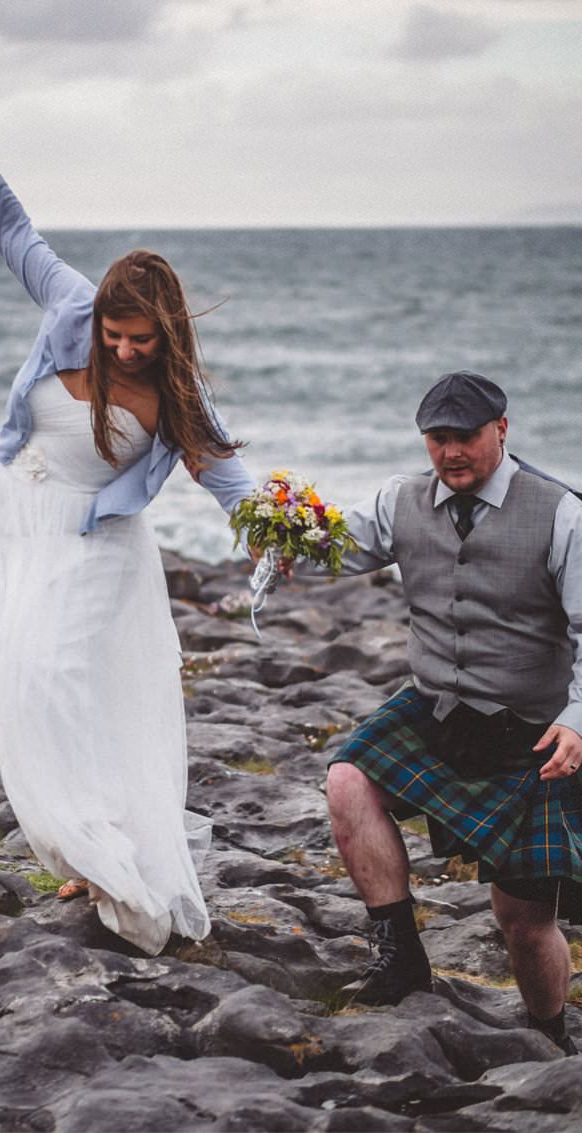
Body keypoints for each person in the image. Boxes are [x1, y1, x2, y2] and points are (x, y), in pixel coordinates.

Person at [0, 73, 257, 955]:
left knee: (56, 675)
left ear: (165, 334)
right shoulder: (68, 302)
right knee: (21, 679)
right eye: (114, 335)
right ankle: (75, 847)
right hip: (7, 515)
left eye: (139, 341)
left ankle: (108, 840)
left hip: (94, 542)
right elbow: (14, 227)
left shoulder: (178, 394)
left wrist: (284, 528)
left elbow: (224, 475)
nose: (121, 349)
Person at [316, 370, 581, 1054]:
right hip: (437, 712)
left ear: (502, 430)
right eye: (437, 439)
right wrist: (260, 513)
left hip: (532, 734)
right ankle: (400, 955)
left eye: (465, 437)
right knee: (347, 780)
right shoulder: (399, 500)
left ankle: (551, 1035)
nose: (451, 452)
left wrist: (578, 719)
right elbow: (325, 551)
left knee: (523, 923)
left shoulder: (561, 513)